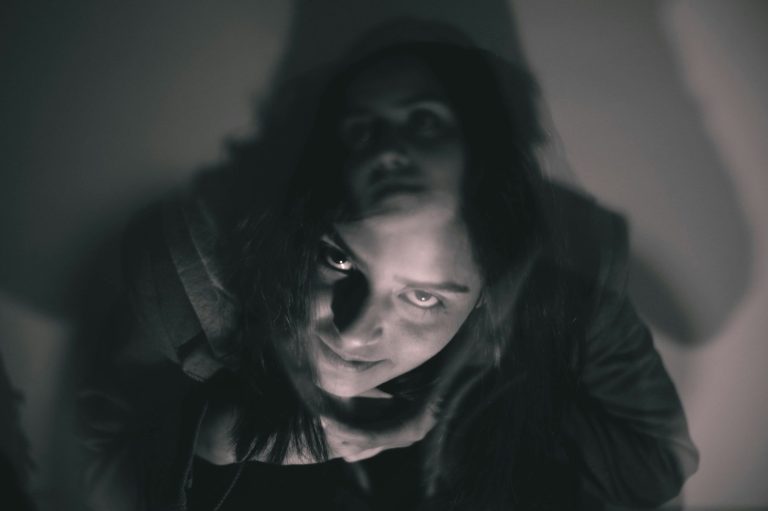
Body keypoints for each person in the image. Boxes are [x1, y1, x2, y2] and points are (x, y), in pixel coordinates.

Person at [80, 23, 698, 511]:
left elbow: (655, 464)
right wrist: (214, 439)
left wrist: (442, 415)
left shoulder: (568, 303)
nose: (352, 334)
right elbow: (85, 452)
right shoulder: (191, 282)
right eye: (338, 259)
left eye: (424, 297)